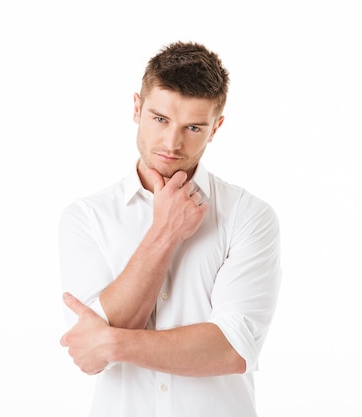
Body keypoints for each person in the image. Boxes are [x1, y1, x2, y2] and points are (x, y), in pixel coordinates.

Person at [58, 40, 281, 417]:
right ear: (136, 108)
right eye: (160, 119)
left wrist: (113, 343)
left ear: (216, 128)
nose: (172, 143)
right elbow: (88, 354)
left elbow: (231, 349)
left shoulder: (249, 216)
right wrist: (165, 231)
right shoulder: (87, 217)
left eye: (193, 127)